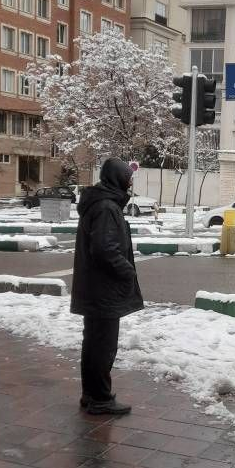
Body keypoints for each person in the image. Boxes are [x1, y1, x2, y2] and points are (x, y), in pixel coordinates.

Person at [71, 157, 143, 415]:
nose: (130, 182)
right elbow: (104, 248)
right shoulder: (106, 207)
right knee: (102, 345)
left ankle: (91, 395)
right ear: (118, 178)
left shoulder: (102, 203)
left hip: (96, 288)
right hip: (103, 290)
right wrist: (127, 271)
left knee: (94, 343)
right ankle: (100, 398)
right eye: (128, 177)